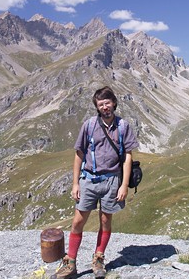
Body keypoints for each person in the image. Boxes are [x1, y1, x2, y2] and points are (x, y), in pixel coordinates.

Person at [51, 86, 139, 279]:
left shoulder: (123, 126)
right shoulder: (89, 125)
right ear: (97, 107)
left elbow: (127, 157)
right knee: (77, 222)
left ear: (114, 103)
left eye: (107, 103)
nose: (105, 107)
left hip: (112, 182)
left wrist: (124, 185)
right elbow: (79, 154)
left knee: (106, 221)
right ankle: (70, 262)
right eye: (101, 104)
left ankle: (99, 259)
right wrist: (75, 184)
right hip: (89, 180)